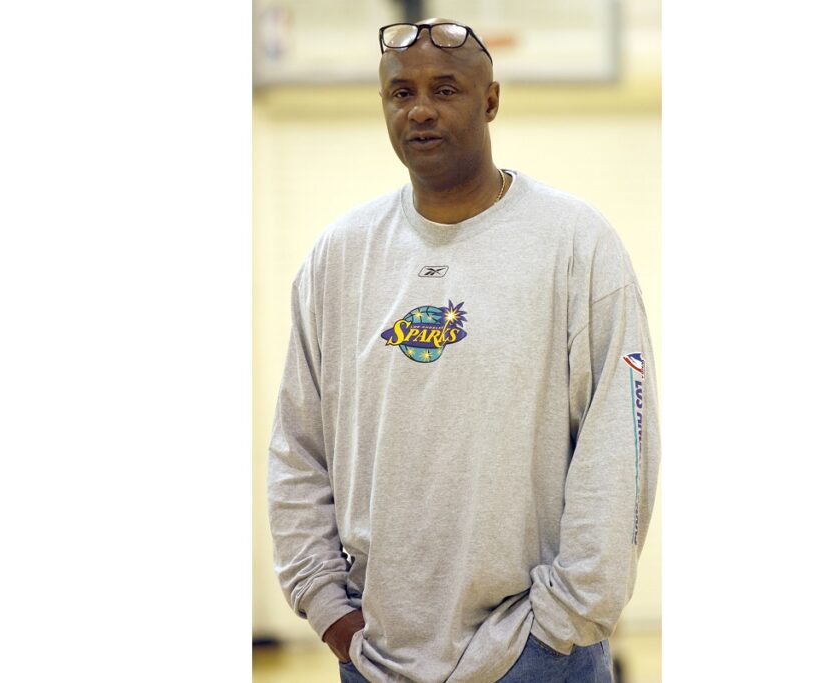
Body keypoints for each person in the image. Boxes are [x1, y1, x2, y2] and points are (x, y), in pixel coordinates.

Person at [267, 18, 660, 683]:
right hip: (376, 657)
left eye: (445, 88)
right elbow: (298, 450)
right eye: (400, 92)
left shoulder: (574, 242)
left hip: (538, 655)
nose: (419, 108)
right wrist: (328, 606)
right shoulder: (338, 257)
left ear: (491, 100)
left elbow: (619, 444)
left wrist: (563, 623)